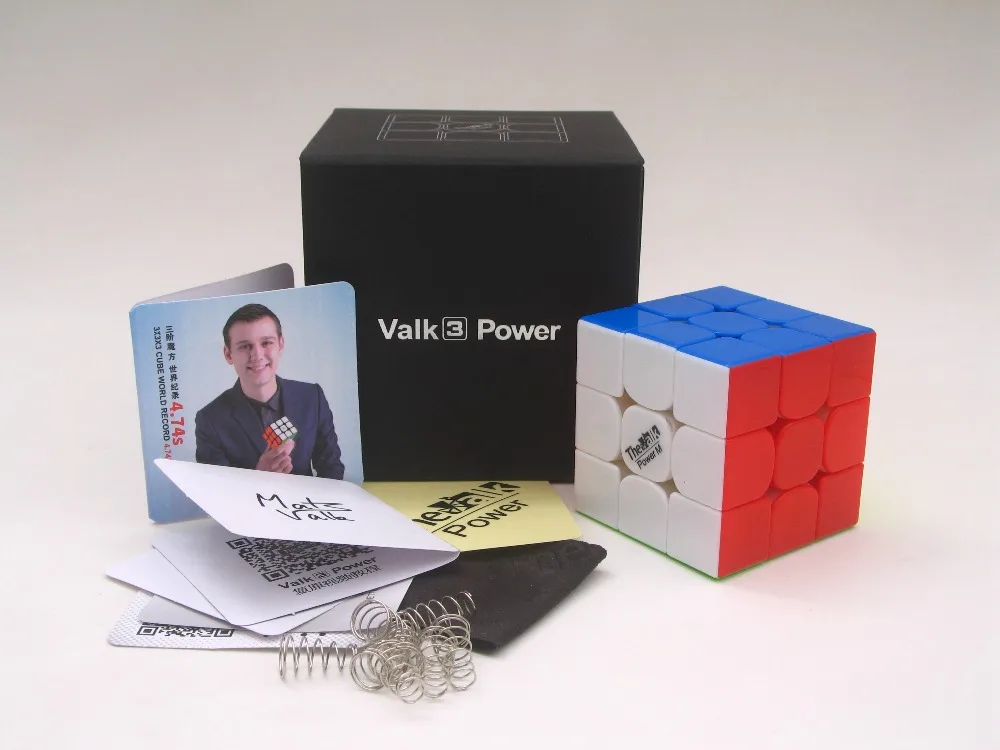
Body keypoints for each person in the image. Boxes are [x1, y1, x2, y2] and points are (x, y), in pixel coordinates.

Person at [194, 303, 346, 479]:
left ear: (281, 344)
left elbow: (332, 468)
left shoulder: (312, 397)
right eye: (245, 346)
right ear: (228, 354)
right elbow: (214, 489)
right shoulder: (210, 420)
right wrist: (259, 477)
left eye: (266, 343)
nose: (257, 355)